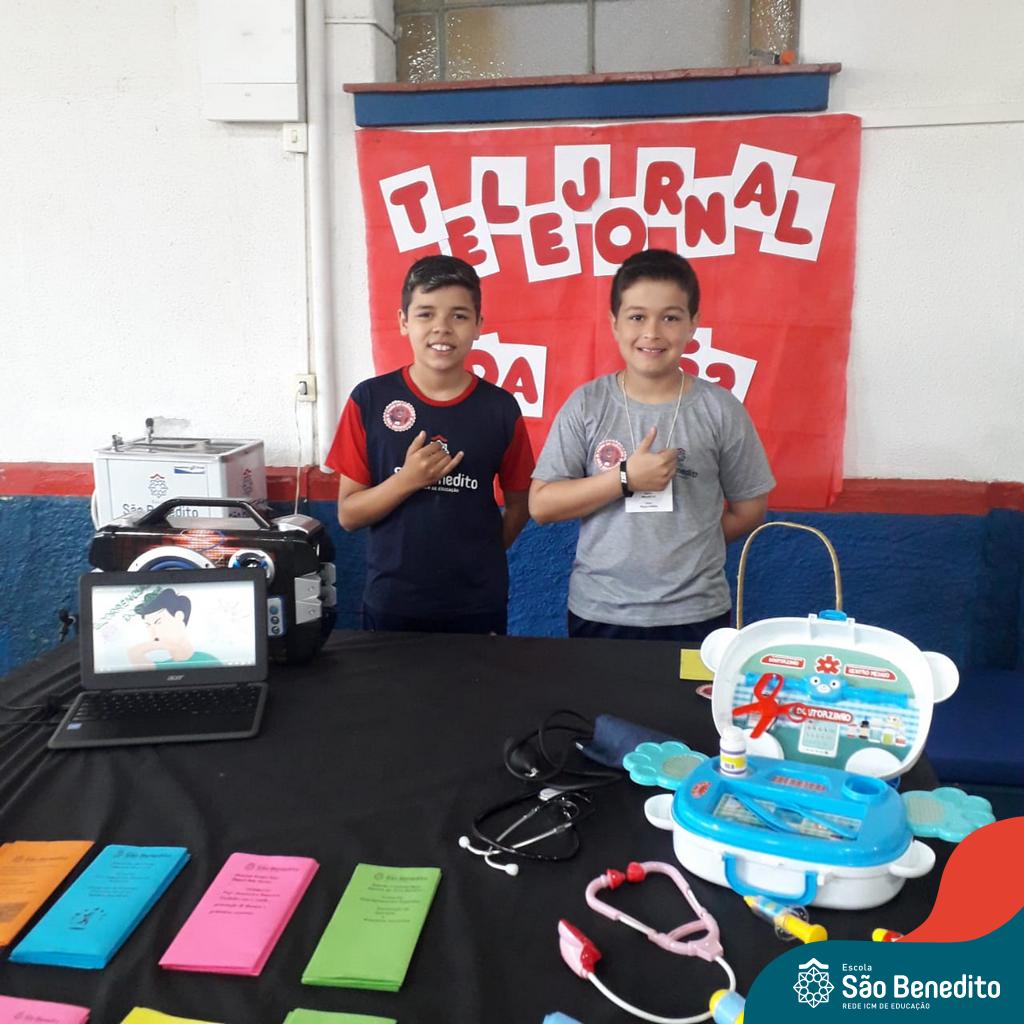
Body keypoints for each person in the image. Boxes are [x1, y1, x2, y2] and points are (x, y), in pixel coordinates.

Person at [529, 249, 774, 642]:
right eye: (637, 317)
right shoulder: (587, 404)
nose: (652, 332)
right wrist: (625, 478)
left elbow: (750, 511)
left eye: (671, 318)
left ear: (693, 323)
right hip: (600, 611)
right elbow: (542, 505)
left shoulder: (720, 409)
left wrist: (691, 547)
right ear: (614, 323)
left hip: (697, 613)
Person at [326, 254, 535, 635]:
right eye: (425, 314)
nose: (442, 328)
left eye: (459, 316)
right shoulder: (369, 400)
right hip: (393, 603)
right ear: (403, 321)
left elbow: (521, 505)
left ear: (478, 325)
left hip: (477, 604)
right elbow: (349, 515)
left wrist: (482, 557)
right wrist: (407, 480)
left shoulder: (500, 408)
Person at [128, 588, 221, 667]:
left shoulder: (208, 661)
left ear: (179, 616)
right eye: (148, 625)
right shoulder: (158, 668)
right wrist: (171, 646)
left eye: (158, 622)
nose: (153, 632)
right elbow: (134, 653)